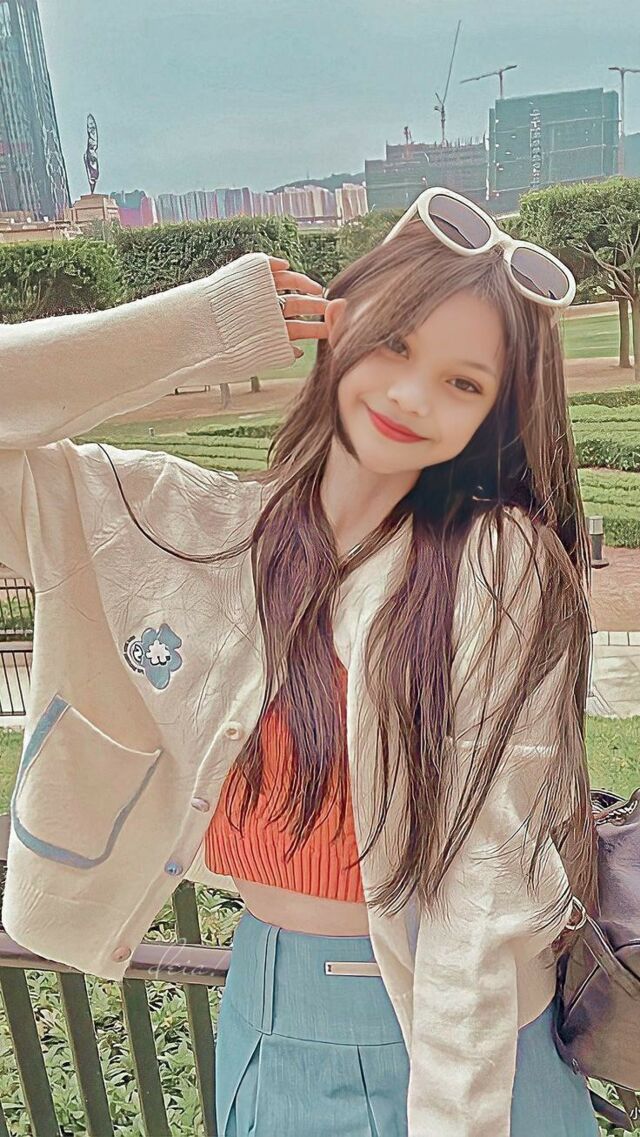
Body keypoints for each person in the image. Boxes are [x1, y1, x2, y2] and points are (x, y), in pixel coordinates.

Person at [0, 191, 601, 1137]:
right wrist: (197, 330)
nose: (411, 396)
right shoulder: (195, 529)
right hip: (266, 1007)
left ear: (495, 413)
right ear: (339, 324)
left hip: (450, 1031)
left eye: (462, 382)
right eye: (394, 343)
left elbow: (479, 877)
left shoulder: (496, 562)